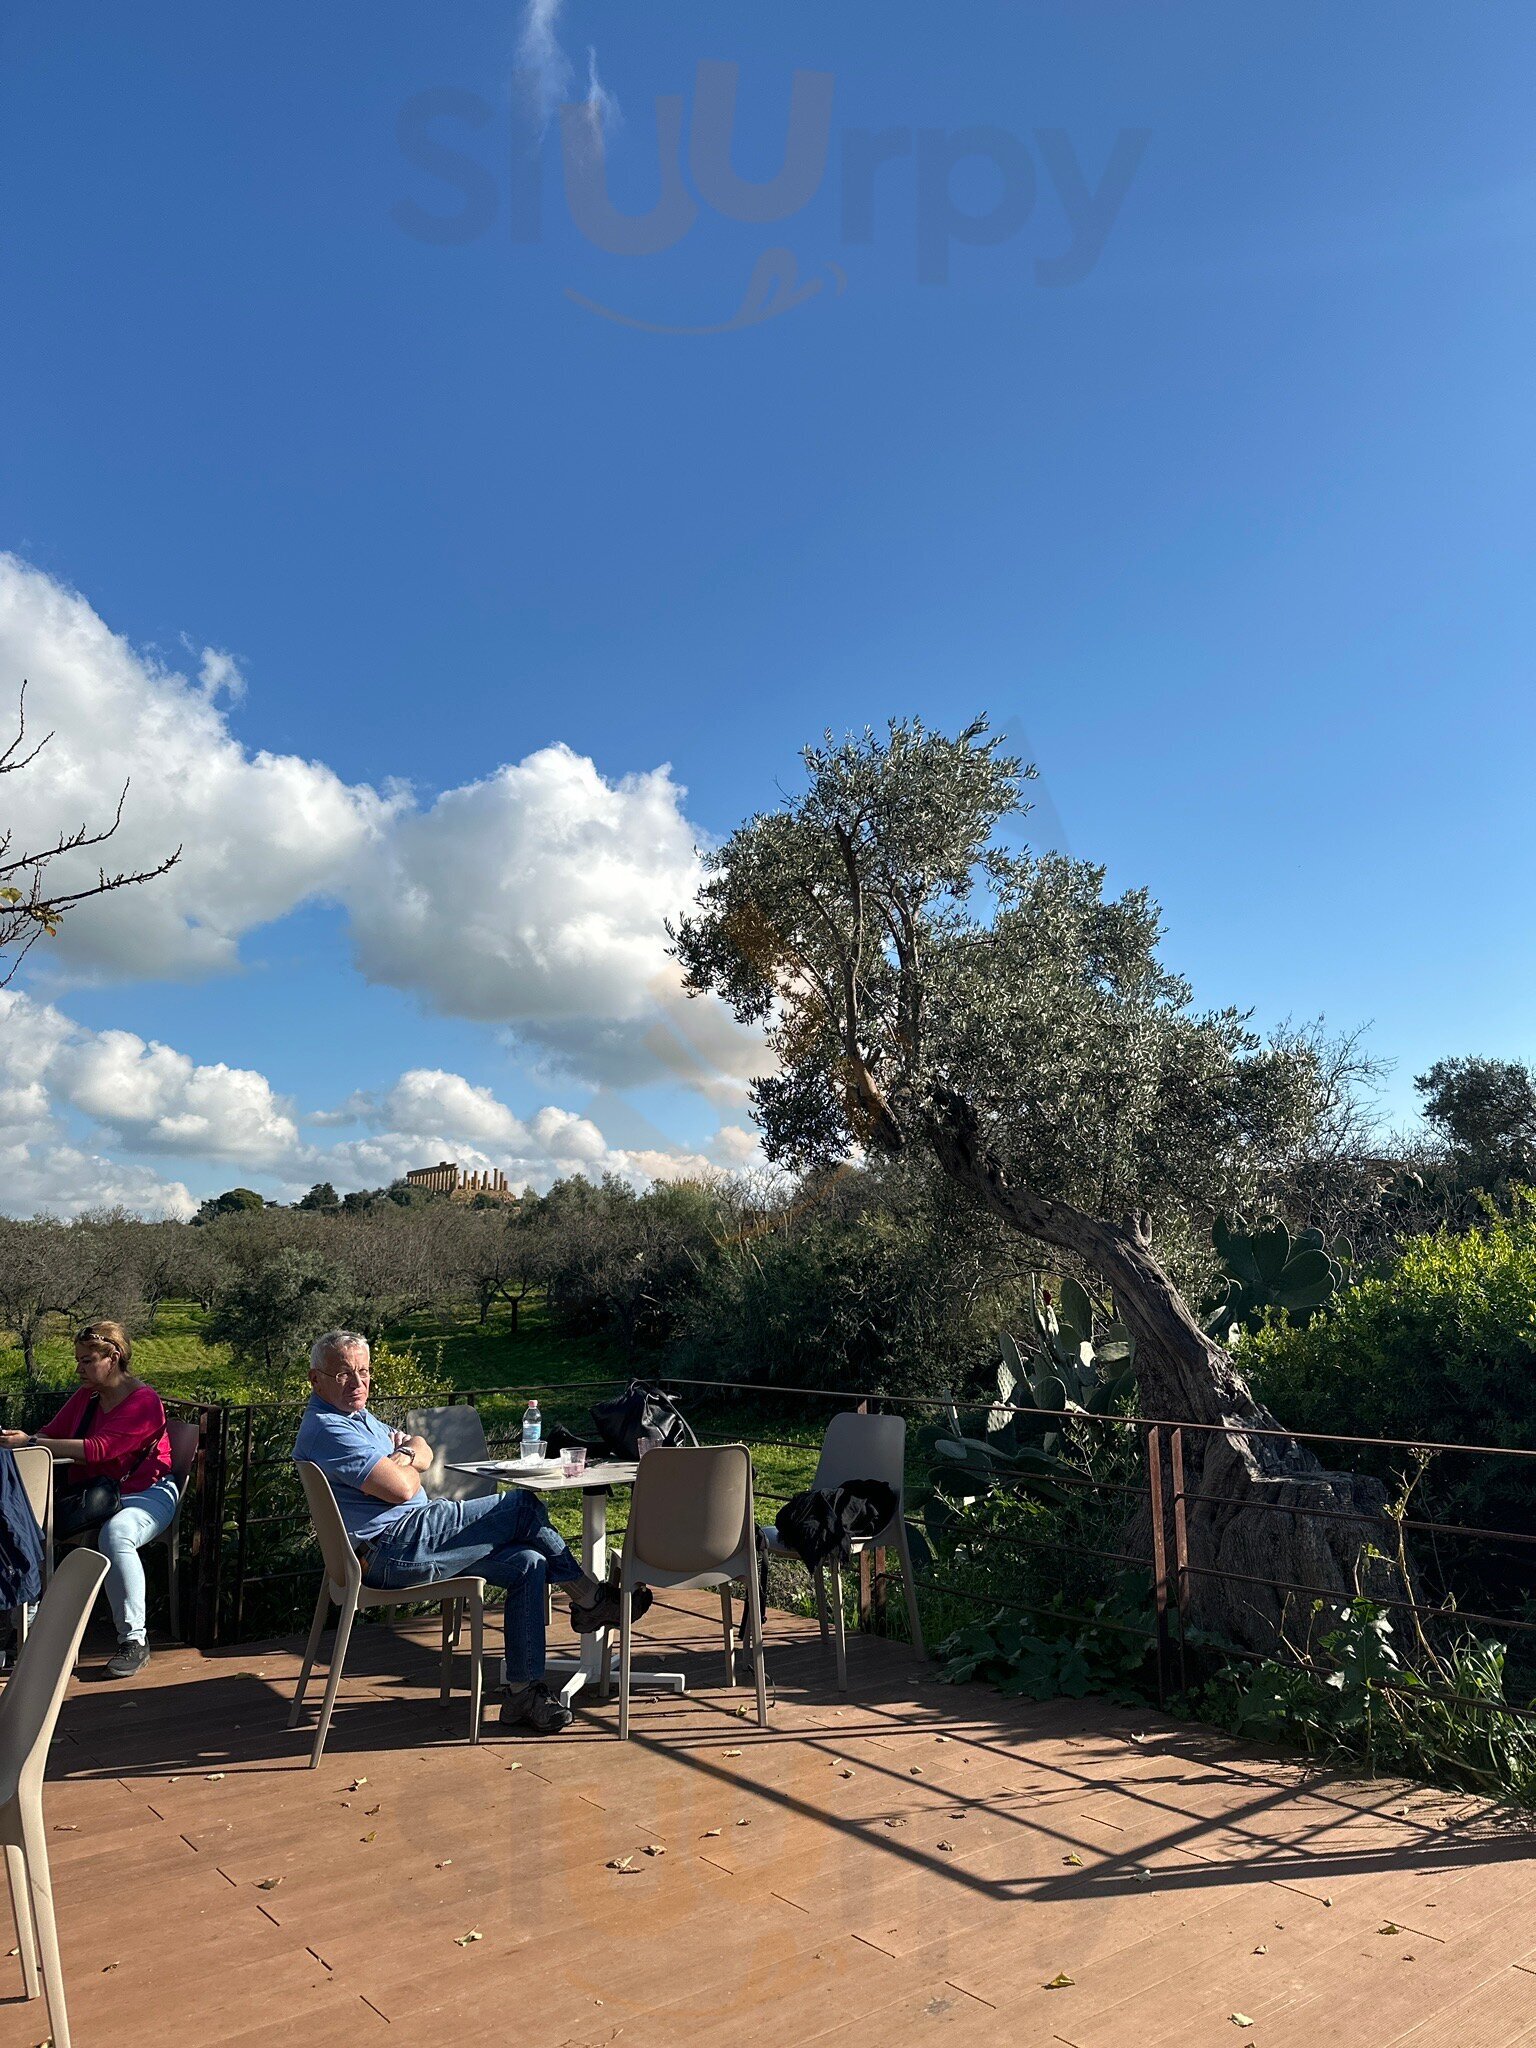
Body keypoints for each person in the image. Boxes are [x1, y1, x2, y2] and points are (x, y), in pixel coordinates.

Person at [292, 1330, 645, 1734]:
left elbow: (422, 1446)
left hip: (414, 1539)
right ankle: (589, 1596)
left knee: (528, 1563)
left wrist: (406, 1455)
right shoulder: (328, 1428)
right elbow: (404, 1488)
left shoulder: (356, 1416)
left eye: (364, 1372)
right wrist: (410, 1463)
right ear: (315, 1379)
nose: (357, 1384)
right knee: (523, 1505)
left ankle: (523, 1693)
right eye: (343, 1375)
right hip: (392, 1548)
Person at [0, 1319, 177, 1678]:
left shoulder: (144, 1402)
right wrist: (25, 1440)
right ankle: (26, 1629)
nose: (78, 1368)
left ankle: (134, 1640)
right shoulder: (87, 1397)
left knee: (116, 1534)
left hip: (147, 1492)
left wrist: (30, 1443)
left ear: (113, 1357)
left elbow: (101, 1450)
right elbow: (51, 1433)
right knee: (25, 1527)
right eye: (78, 1360)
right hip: (96, 1496)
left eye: (86, 1360)